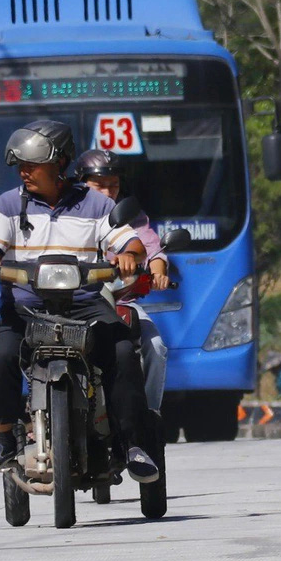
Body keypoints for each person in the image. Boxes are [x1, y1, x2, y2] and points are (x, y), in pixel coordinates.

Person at [0, 120, 158, 482]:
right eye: (20, 165)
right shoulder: (8, 204)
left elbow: (128, 241)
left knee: (122, 352)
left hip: (86, 305)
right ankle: (4, 436)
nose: (23, 172)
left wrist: (128, 255)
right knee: (1, 357)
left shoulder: (98, 204)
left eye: (32, 164)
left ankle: (133, 444)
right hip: (25, 308)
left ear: (59, 164)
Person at [74, 148, 172, 415]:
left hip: (119, 301)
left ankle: (148, 418)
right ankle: (36, 414)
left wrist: (158, 271)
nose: (107, 192)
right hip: (72, 301)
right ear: (81, 183)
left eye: (113, 186)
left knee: (155, 346)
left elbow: (152, 250)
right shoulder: (68, 213)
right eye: (99, 186)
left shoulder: (129, 216)